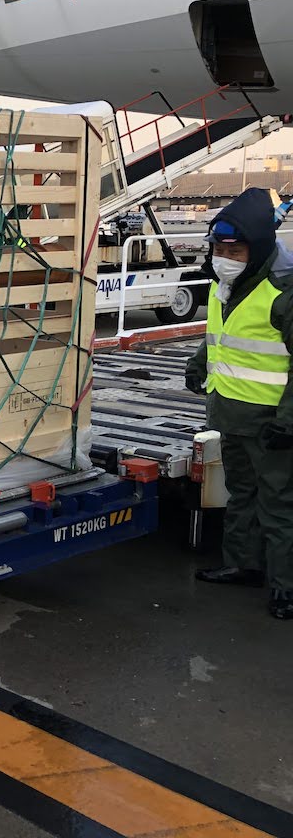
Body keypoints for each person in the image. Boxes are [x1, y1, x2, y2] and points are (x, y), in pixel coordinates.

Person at [185, 187, 293, 620]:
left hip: (271, 423)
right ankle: (243, 564)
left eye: (235, 248)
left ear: (259, 247)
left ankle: (286, 586)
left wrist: (288, 421)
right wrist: (198, 363)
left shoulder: (282, 291)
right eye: (219, 248)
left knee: (279, 504)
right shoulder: (224, 283)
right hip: (230, 414)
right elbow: (218, 335)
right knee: (241, 494)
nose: (225, 255)